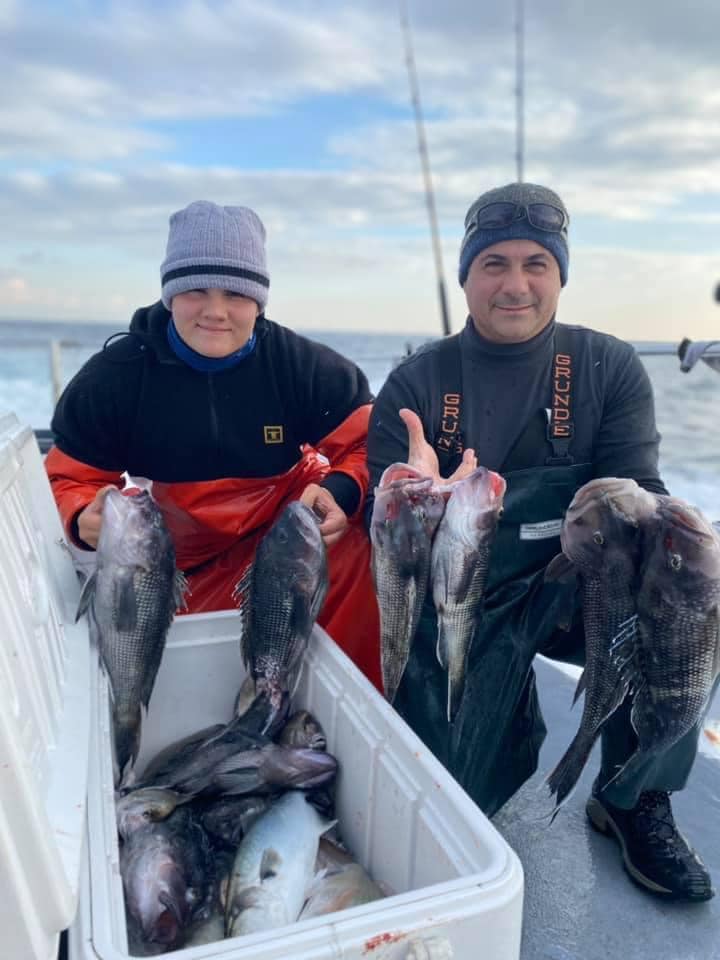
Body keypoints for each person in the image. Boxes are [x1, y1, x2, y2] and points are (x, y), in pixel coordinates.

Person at [366, 182, 715, 901]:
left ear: (560, 274)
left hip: (584, 587)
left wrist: (634, 500)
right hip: (468, 600)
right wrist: (418, 501)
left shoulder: (605, 366)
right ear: (466, 275)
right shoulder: (417, 382)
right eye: (493, 263)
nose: (515, 285)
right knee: (450, 810)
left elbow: (641, 488)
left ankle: (633, 796)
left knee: (690, 592)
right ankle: (501, 735)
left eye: (536, 264)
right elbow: (392, 558)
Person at [46, 200, 382, 688]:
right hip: (182, 561)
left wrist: (341, 490)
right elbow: (70, 477)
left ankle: (354, 700)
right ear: (169, 295)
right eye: (195, 290)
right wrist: (81, 517)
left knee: (364, 541)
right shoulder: (113, 380)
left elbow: (368, 443)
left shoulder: (302, 367)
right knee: (176, 667)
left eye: (236, 294)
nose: (216, 311)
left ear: (260, 301)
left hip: (283, 532)